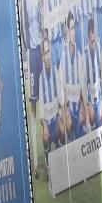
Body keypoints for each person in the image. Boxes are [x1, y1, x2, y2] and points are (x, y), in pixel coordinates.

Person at [20, 0, 43, 124]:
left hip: (41, 42)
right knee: (33, 82)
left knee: (43, 75)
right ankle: (34, 117)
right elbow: (23, 21)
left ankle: (46, 112)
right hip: (32, 46)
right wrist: (27, 46)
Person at [37, 33, 65, 176]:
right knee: (45, 136)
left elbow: (60, 97)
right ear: (42, 56)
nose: (47, 56)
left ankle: (61, 158)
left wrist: (60, 115)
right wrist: (45, 126)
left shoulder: (55, 71)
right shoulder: (40, 77)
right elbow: (41, 104)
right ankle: (48, 164)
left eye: (48, 52)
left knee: (62, 127)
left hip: (56, 118)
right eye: (44, 53)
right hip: (48, 122)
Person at [60, 11, 86, 141]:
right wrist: (65, 110)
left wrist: (82, 106)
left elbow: (82, 85)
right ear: (67, 32)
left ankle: (79, 131)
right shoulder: (63, 55)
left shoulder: (79, 54)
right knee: (68, 126)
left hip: (78, 106)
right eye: (71, 29)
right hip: (69, 108)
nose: (73, 32)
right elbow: (61, 86)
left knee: (83, 124)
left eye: (74, 28)